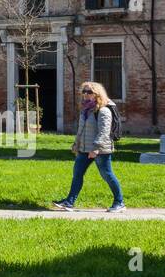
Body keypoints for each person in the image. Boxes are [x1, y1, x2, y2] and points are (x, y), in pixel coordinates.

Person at [52, 81, 125, 213]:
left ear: (97, 94)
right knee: (77, 174)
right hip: (84, 149)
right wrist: (76, 143)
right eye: (84, 92)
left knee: (107, 175)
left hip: (100, 149)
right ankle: (69, 202)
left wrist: (96, 148)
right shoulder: (85, 110)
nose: (86, 94)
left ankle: (119, 202)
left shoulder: (103, 111)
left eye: (89, 92)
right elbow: (81, 129)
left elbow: (104, 132)